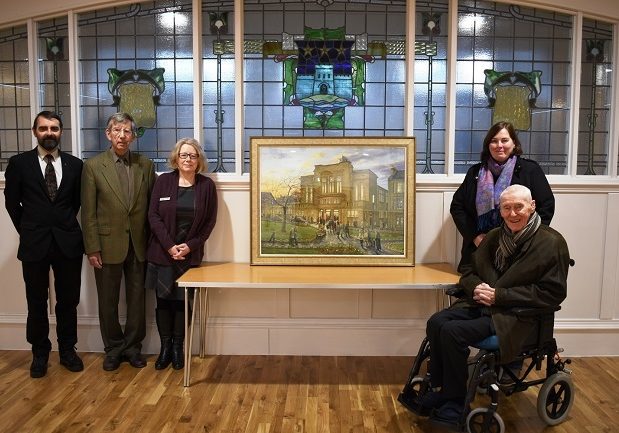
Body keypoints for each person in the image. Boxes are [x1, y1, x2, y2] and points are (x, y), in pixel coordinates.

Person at [407, 185, 570, 426]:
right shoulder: (494, 236)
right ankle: (440, 387)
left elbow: (552, 293)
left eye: (519, 207)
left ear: (532, 206)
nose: (513, 213)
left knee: (453, 333)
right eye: (506, 208)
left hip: (517, 316)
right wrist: (476, 288)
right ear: (500, 210)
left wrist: (500, 296)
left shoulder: (551, 242)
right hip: (483, 305)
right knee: (437, 322)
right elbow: (468, 271)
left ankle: (454, 401)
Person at [4, 111, 84, 378]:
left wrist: (60, 224)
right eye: (44, 128)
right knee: (36, 301)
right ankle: (39, 353)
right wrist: (28, 229)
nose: (49, 133)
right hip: (34, 243)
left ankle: (67, 350)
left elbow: (75, 203)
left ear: (61, 131)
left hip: (68, 243)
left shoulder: (75, 165)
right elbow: (12, 203)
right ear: (34, 131)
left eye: (54, 128)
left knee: (68, 301)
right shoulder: (19, 163)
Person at [81, 112, 156, 371]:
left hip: (138, 244)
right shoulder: (92, 167)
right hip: (106, 245)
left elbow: (152, 209)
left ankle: (133, 348)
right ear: (108, 134)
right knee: (108, 301)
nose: (122, 136)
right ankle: (113, 349)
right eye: (117, 131)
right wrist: (91, 247)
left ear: (133, 136)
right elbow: (88, 211)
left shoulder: (145, 165)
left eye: (127, 131)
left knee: (137, 300)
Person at [145, 138, 218, 370]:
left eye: (193, 156)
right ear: (176, 158)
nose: (188, 159)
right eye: (184, 155)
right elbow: (153, 217)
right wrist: (169, 246)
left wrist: (190, 246)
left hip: (189, 256)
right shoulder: (163, 181)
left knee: (182, 303)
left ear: (199, 161)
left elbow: (209, 222)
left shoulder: (206, 186)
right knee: (163, 302)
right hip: (162, 254)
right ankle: (164, 348)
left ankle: (178, 347)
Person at [450, 121, 554, 273]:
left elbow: (546, 206)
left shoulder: (530, 170)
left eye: (504, 140)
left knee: (509, 293)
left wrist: (526, 238)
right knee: (478, 293)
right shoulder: (475, 173)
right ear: (488, 145)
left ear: (514, 144)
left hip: (518, 252)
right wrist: (475, 236)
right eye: (494, 141)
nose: (499, 145)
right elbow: (457, 207)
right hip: (480, 251)